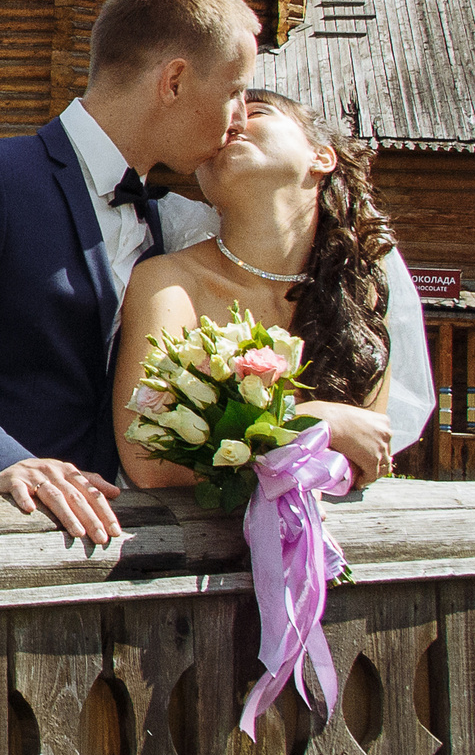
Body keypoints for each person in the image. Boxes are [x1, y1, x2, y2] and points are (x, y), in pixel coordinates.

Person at [0, 0, 428, 544]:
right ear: (173, 82)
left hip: (99, 564)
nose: (238, 117)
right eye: (234, 91)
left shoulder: (164, 221)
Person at [114, 89, 396, 490]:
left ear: (322, 156)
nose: (232, 126)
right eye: (218, 129)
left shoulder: (356, 295)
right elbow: (148, 462)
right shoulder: (168, 284)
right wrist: (314, 421)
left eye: (257, 111)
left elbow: (366, 456)